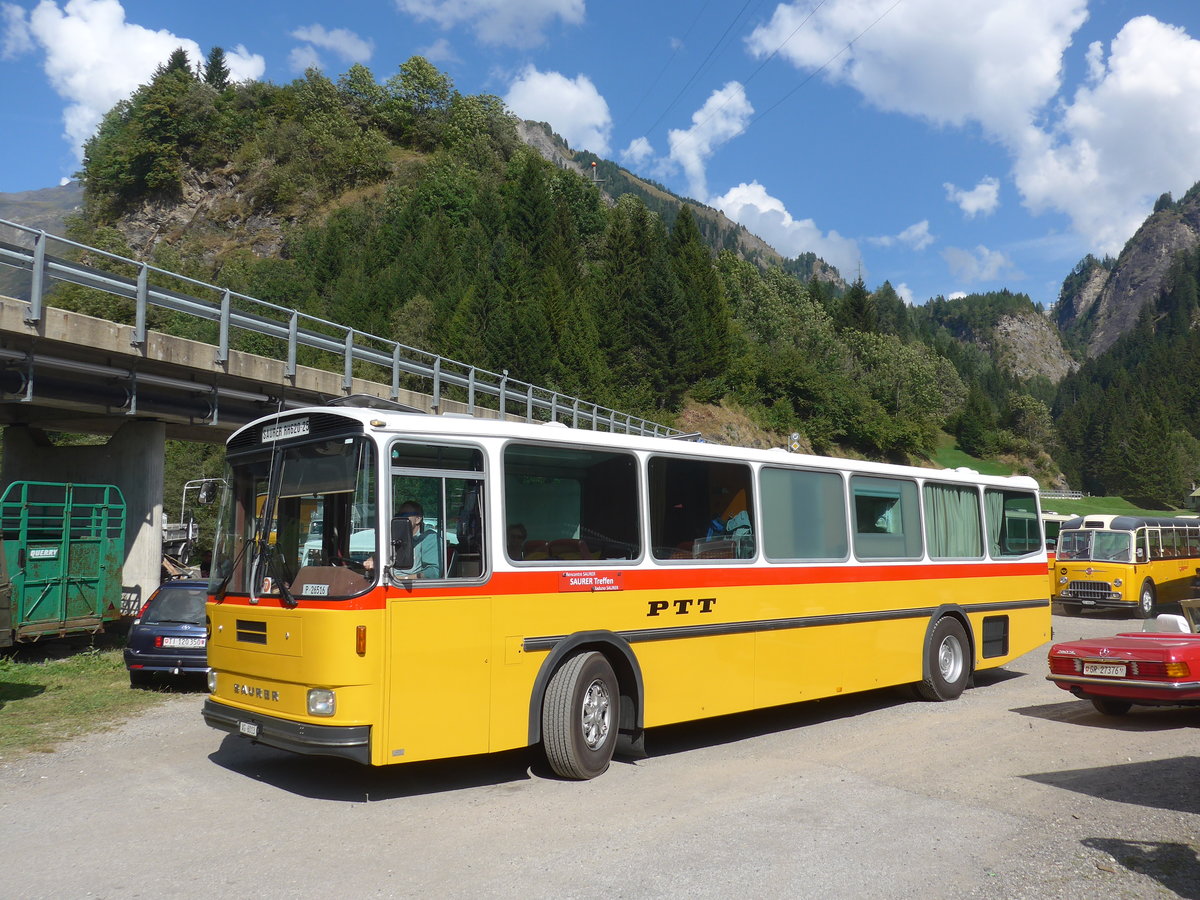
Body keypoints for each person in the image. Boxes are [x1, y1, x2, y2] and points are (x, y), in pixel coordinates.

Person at [395, 500, 441, 579]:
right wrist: (372, 560)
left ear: (418, 519)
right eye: (399, 515)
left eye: (405, 515)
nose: (401, 518)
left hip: (409, 585)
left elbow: (433, 572)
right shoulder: (396, 537)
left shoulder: (429, 537)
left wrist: (403, 578)